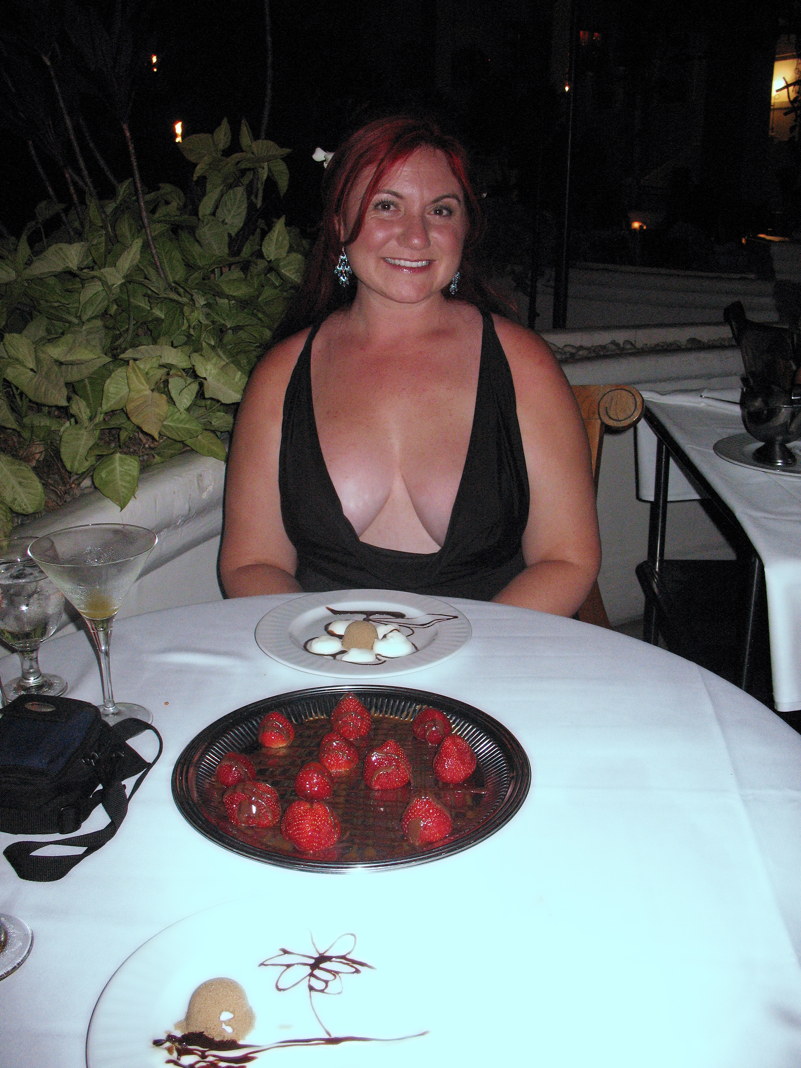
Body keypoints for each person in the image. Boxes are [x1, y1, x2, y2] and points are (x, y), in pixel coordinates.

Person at [219, 115, 600, 616]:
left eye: (440, 210)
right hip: (322, 654)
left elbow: (566, 559)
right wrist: (326, 645)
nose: (416, 236)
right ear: (339, 223)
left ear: (464, 229)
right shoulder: (281, 375)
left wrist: (472, 653)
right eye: (386, 206)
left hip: (498, 651)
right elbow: (252, 562)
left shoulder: (522, 364)